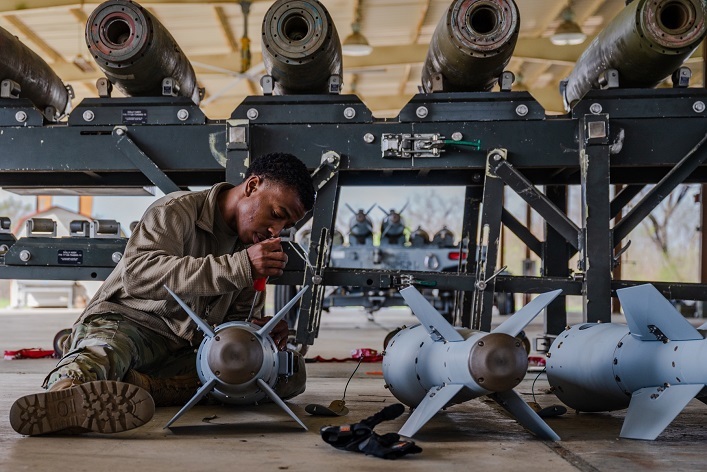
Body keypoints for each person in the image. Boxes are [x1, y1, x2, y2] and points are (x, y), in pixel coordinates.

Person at [10, 152, 316, 436]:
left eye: (287, 225)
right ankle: (63, 396)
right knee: (104, 353)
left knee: (287, 371)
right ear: (252, 186)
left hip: (185, 348)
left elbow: (230, 324)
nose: (277, 230)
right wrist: (239, 266)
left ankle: (139, 385)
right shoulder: (176, 211)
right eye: (276, 213)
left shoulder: (251, 249)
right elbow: (138, 276)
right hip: (131, 324)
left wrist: (257, 334)